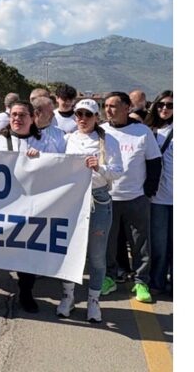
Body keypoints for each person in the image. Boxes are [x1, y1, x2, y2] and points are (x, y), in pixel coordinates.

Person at [0, 101, 64, 312]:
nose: (17, 118)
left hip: (31, 207)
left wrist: (41, 160)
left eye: (22, 115)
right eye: (14, 114)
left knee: (28, 251)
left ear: (32, 117)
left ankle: (26, 292)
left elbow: (57, 169)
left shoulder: (44, 142)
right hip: (1, 206)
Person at [57, 98, 123, 323]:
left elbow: (118, 170)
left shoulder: (108, 140)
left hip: (98, 199)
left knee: (96, 254)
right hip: (72, 200)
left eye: (87, 115)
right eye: (79, 114)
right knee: (70, 250)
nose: (82, 119)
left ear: (96, 117)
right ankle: (68, 296)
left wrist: (99, 167)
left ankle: (94, 300)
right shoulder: (67, 139)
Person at [100, 92, 162, 303]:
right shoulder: (101, 131)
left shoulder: (142, 132)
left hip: (136, 197)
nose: (109, 110)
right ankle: (109, 277)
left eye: (114, 106)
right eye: (106, 106)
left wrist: (148, 192)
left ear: (127, 108)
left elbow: (154, 163)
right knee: (108, 243)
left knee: (140, 243)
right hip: (107, 197)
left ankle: (141, 281)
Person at [145, 91, 173, 295]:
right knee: (158, 244)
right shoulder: (147, 131)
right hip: (157, 197)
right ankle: (157, 281)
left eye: (170, 105)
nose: (165, 108)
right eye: (161, 104)